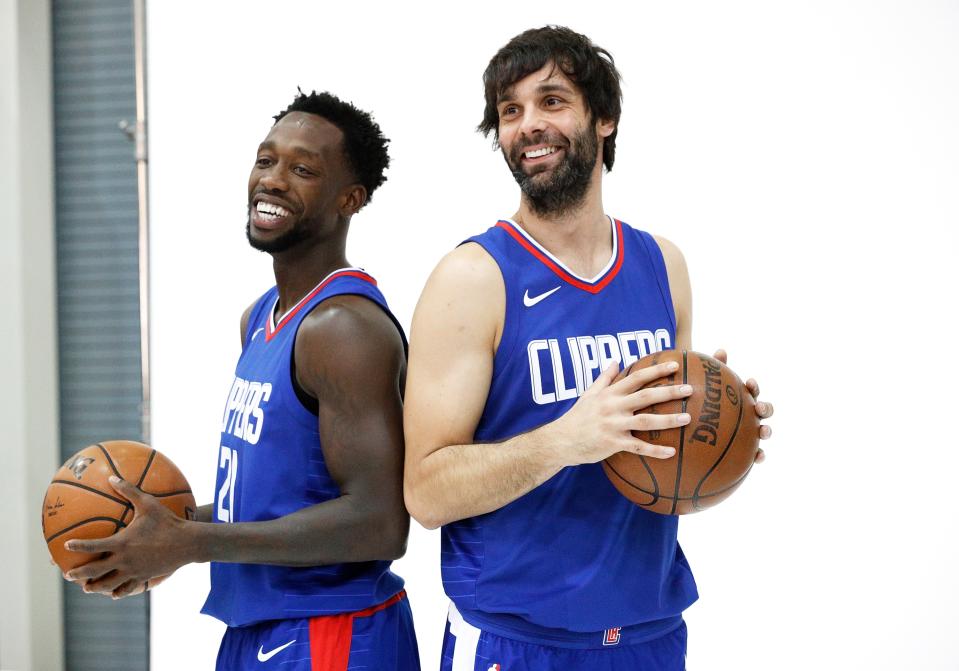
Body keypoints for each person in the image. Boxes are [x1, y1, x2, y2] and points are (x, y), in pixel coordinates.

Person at [403, 26, 774, 670]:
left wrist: (716, 423)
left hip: (648, 634)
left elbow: (663, 456)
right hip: (516, 642)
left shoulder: (663, 265)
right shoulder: (473, 279)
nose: (527, 125)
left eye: (551, 101)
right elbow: (426, 493)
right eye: (510, 111)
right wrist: (565, 440)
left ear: (604, 119)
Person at [65, 91, 421, 671]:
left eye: (303, 169)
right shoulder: (260, 318)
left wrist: (192, 543)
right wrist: (159, 532)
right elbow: (265, 505)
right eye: (266, 160)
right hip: (258, 630)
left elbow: (380, 523)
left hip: (331, 633)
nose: (273, 180)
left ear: (349, 199)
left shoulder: (343, 328)